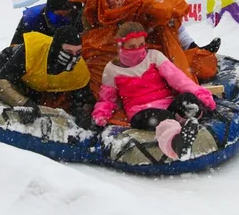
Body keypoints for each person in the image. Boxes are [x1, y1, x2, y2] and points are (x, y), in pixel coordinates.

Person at [91, 22, 216, 160]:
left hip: (167, 105)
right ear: (121, 46)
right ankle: (177, 143)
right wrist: (101, 115)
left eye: (141, 45)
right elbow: (107, 98)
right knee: (159, 118)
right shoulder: (112, 69)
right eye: (132, 47)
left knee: (188, 99)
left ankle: (189, 117)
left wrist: (199, 93)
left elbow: (178, 79)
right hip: (140, 111)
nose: (138, 49)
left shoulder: (154, 56)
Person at [0, 26, 94, 129]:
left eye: (78, 52)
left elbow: (83, 100)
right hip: (10, 65)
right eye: (68, 51)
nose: (73, 57)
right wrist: (23, 103)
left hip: (41, 86)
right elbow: (1, 82)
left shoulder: (80, 70)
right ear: (56, 48)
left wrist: (81, 112)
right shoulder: (31, 51)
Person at [11, 0, 83, 45]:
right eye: (59, 14)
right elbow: (15, 46)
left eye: (67, 14)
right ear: (50, 11)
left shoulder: (75, 14)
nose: (64, 17)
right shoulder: (32, 19)